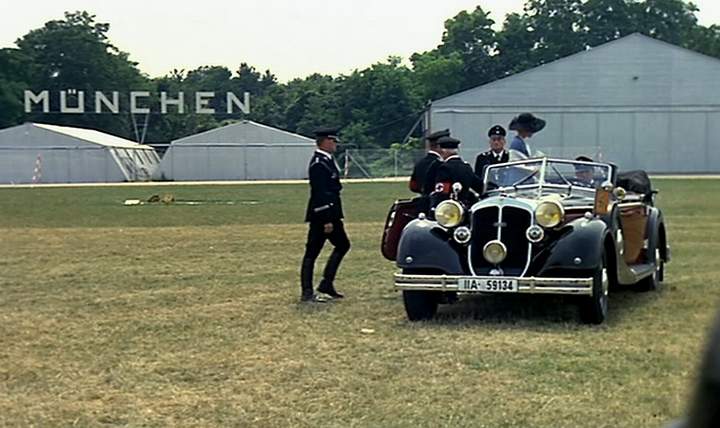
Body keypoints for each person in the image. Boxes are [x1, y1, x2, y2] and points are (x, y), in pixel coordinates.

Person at [300, 127, 351, 302]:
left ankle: (326, 283)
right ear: (326, 142)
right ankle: (307, 291)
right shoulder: (318, 164)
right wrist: (327, 219)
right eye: (333, 141)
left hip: (332, 212)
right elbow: (320, 193)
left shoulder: (326, 161)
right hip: (322, 215)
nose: (335, 144)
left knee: (343, 245)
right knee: (312, 252)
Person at [432, 136, 484, 206]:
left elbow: (442, 193)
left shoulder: (444, 168)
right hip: (465, 205)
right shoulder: (466, 167)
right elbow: (479, 186)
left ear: (443, 151)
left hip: (449, 208)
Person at [409, 129, 449, 195]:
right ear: (440, 146)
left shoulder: (420, 163)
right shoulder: (442, 164)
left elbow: (413, 186)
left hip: (423, 200)